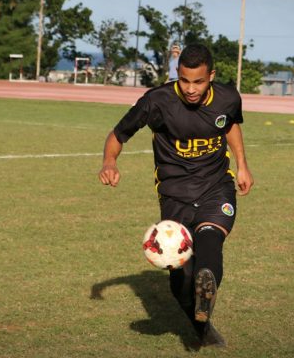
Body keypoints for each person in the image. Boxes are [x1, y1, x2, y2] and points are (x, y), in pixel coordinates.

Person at [98, 44, 253, 348]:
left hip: (216, 186)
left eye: (198, 81)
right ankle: (201, 325)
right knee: (180, 278)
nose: (191, 89)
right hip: (174, 194)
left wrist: (242, 165)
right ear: (177, 74)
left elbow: (230, 123)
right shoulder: (157, 101)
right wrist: (109, 162)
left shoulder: (228, 97)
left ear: (211, 76)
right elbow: (118, 134)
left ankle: (206, 283)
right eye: (184, 80)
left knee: (209, 241)